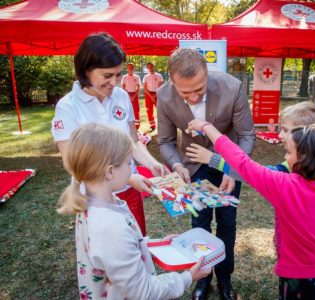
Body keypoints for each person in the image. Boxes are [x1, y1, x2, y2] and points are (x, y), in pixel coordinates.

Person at [188, 120, 315, 300]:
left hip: (300, 282)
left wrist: (207, 127)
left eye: (289, 152)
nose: (286, 158)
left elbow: (243, 163)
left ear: (305, 158)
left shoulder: (285, 186)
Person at [57, 123, 210, 299]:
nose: (131, 169)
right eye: (128, 163)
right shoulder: (110, 227)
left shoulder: (91, 200)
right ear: (109, 172)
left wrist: (153, 245)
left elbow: (118, 251)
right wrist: (187, 277)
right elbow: (143, 292)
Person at [157, 48, 255, 300]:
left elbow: (246, 135)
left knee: (227, 223)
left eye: (198, 89)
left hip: (228, 163)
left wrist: (233, 169)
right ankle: (202, 279)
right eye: (184, 91)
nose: (192, 97)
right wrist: (176, 165)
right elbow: (166, 141)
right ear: (171, 81)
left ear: (207, 75)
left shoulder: (232, 87)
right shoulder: (163, 95)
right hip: (191, 166)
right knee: (198, 224)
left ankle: (225, 277)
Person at [51, 33, 167, 237]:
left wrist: (151, 164)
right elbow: (73, 163)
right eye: (107, 76)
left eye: (118, 75)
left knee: (137, 245)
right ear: (86, 70)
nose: (114, 82)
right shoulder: (68, 106)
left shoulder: (121, 97)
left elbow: (133, 141)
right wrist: (129, 178)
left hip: (129, 192)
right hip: (95, 199)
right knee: (106, 259)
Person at [186, 101, 315, 181]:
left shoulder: (288, 181)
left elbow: (250, 172)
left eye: (286, 130)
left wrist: (211, 157)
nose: (280, 135)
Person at [143, 62, 164, 131]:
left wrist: (155, 95)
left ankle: (162, 124)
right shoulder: (146, 77)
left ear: (153, 66)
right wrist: (151, 96)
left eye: (151, 66)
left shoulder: (159, 76)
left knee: (160, 110)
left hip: (157, 94)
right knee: (149, 110)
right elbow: (145, 89)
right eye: (148, 67)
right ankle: (152, 125)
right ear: (147, 68)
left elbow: (161, 86)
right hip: (148, 94)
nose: (150, 68)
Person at [121, 63, 141, 129]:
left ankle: (137, 126)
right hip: (127, 95)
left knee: (136, 110)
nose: (131, 68)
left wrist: (134, 96)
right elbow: (123, 87)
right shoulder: (124, 77)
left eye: (132, 67)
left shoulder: (137, 77)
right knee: (126, 110)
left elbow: (138, 87)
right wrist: (129, 96)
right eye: (129, 67)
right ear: (127, 68)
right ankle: (127, 125)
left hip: (135, 95)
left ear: (133, 68)